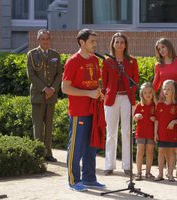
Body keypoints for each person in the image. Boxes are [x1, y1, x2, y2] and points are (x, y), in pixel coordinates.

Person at [62, 29, 105, 192]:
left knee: (91, 146)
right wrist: (88, 93)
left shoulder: (94, 60)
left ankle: (89, 178)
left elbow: (95, 82)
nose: (95, 44)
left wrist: (100, 93)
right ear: (82, 42)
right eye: (92, 41)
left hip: (93, 109)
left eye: (95, 41)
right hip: (79, 111)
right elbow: (65, 88)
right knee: (76, 146)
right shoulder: (72, 61)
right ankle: (74, 180)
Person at [102, 32, 139, 176]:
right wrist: (107, 93)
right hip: (111, 100)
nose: (119, 44)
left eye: (122, 42)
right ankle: (109, 165)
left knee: (127, 132)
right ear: (112, 44)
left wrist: (129, 92)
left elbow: (135, 80)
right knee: (110, 133)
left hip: (127, 99)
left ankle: (127, 165)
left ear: (125, 45)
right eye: (116, 42)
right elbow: (103, 82)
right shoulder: (107, 61)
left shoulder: (132, 61)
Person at [27, 29, 62, 162]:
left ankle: (48, 153)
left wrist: (52, 88)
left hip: (51, 96)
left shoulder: (55, 55)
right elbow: (31, 75)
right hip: (38, 95)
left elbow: (59, 74)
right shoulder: (32, 54)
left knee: (49, 125)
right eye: (42, 39)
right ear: (38, 40)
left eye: (47, 39)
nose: (45, 41)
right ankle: (38, 153)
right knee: (38, 126)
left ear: (50, 40)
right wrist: (44, 89)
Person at [152, 38, 177, 178]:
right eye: (159, 49)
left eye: (163, 47)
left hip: (176, 101)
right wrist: (155, 101)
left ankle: (172, 170)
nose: (161, 51)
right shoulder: (158, 65)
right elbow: (155, 84)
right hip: (164, 104)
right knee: (166, 136)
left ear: (169, 46)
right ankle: (166, 171)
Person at [154, 80, 177, 182]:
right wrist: (155, 133)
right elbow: (157, 121)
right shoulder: (159, 105)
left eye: (169, 89)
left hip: (173, 133)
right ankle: (160, 174)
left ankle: (171, 174)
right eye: (164, 89)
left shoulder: (176, 105)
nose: (166, 91)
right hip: (161, 133)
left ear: (173, 91)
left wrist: (174, 121)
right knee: (161, 152)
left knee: (171, 152)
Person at [133, 82, 157, 180]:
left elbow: (158, 118)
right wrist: (136, 116)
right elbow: (134, 118)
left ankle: (148, 172)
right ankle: (138, 172)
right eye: (145, 93)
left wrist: (155, 118)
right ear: (141, 94)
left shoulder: (155, 105)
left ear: (153, 93)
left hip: (151, 133)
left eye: (149, 92)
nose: (147, 95)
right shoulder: (139, 105)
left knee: (150, 152)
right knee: (140, 152)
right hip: (141, 133)